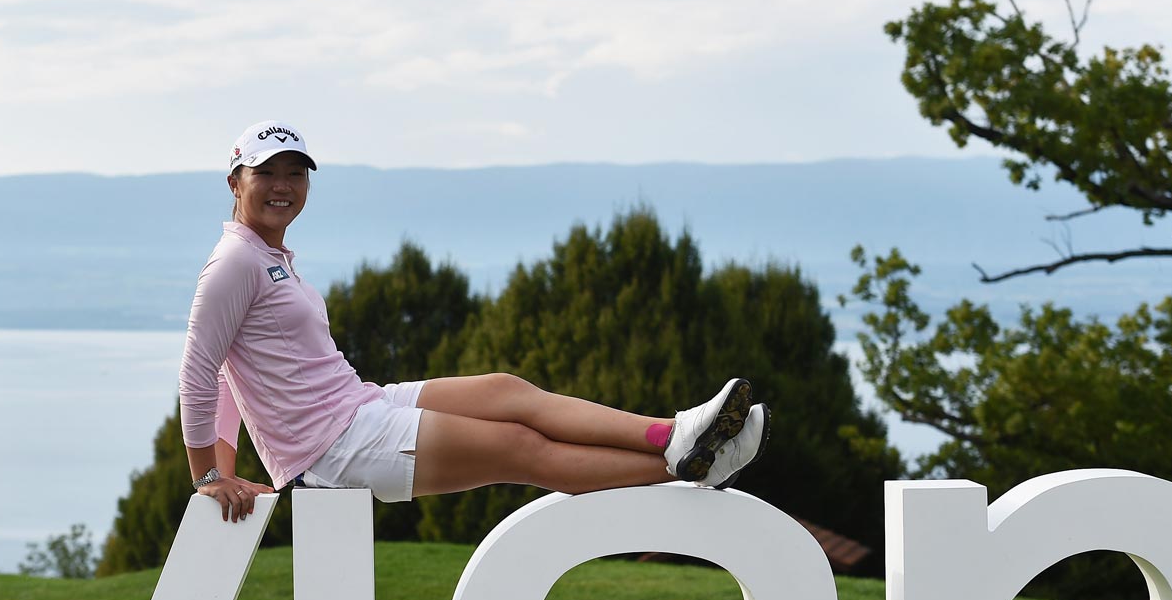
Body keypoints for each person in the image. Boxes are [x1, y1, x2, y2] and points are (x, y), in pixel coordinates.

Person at [180, 120, 769, 522]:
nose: (283, 186)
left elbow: (231, 373)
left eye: (295, 173)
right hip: (332, 450)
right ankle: (684, 469)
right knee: (518, 447)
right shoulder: (235, 260)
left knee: (507, 392)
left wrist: (226, 470)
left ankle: (676, 438)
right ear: (236, 181)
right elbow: (199, 373)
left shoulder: (265, 257)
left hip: (357, 408)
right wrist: (209, 478)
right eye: (267, 173)